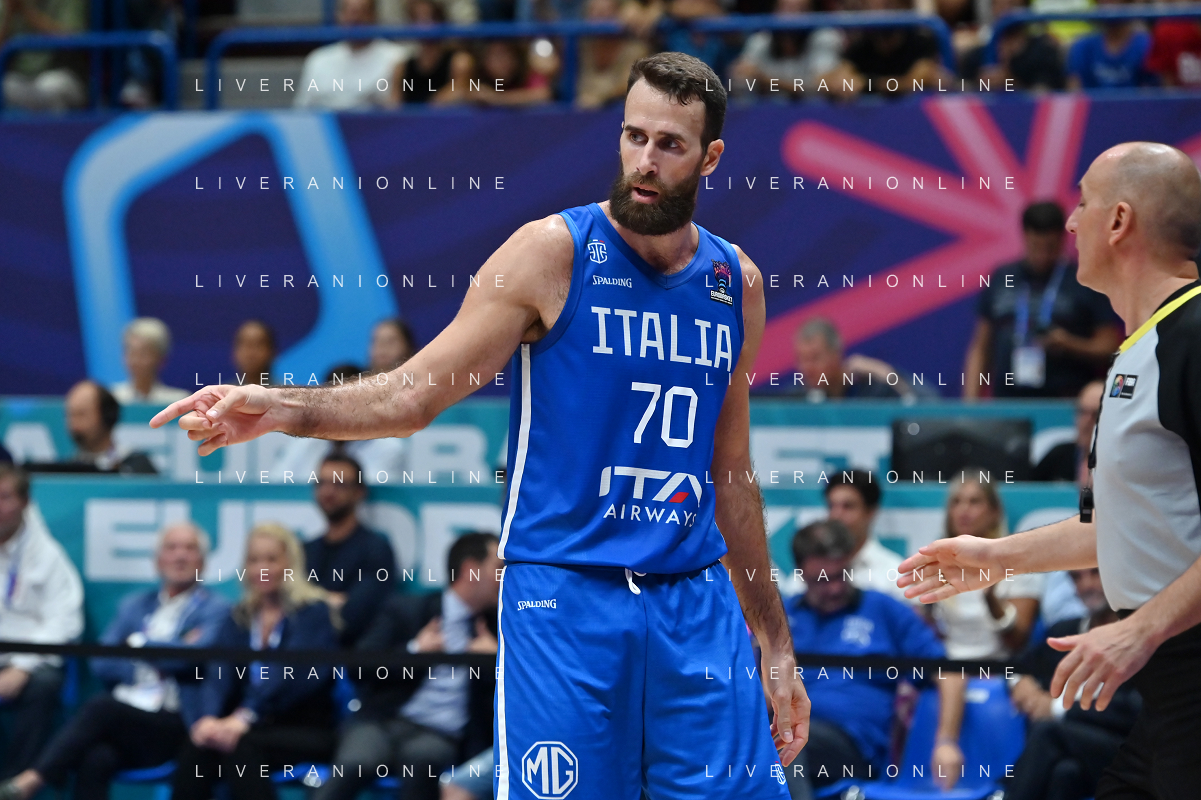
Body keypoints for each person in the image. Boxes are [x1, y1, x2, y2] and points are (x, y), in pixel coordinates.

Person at [153, 51, 811, 799]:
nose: (645, 162)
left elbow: (731, 476)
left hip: (694, 602)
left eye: (670, 145)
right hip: (565, 595)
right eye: (634, 137)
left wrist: (774, 642)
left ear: (710, 158)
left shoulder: (735, 283)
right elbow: (412, 396)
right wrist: (287, 407)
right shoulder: (551, 254)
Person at [899, 141, 1201, 799]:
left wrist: (1139, 628)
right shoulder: (1138, 348)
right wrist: (994, 557)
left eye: (1082, 202)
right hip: (1162, 687)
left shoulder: (1193, 336)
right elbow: (1121, 525)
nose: (1070, 221)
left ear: (1118, 221)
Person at [0, 522, 229, 800]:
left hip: (177, 722)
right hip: (129, 716)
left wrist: (138, 644)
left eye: (190, 549)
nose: (180, 556)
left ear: (203, 562)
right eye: (171, 548)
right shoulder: (134, 605)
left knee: (101, 707)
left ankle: (32, 780)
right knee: (97, 757)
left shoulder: (217, 609)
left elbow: (191, 659)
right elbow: (102, 662)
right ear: (157, 561)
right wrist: (163, 656)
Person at [784, 520, 965, 800]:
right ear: (800, 573)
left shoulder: (884, 610)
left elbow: (949, 672)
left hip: (854, 748)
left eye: (841, 575)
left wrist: (946, 741)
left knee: (789, 742)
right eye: (822, 580)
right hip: (788, 732)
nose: (834, 588)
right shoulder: (783, 616)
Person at [316, 532, 501, 800]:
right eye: (498, 568)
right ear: (470, 570)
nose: (504, 578)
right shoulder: (409, 610)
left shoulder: (499, 629)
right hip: (383, 721)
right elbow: (360, 666)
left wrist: (496, 661)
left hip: (440, 734)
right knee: (355, 763)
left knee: (422, 762)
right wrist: (414, 650)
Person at [171, 522, 340, 800]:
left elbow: (292, 677)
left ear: (291, 564)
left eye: (272, 559)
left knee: (242, 747)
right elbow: (219, 674)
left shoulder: (312, 613)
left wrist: (246, 716)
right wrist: (210, 719)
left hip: (303, 727)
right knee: (199, 747)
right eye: (254, 560)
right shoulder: (239, 617)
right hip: (247, 725)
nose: (263, 568)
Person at [1004, 568, 1141, 800]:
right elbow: (1014, 666)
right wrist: (1020, 683)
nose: (1086, 585)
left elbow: (1132, 709)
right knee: (1065, 773)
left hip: (1124, 749)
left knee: (1048, 732)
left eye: (1095, 574)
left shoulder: (1136, 638)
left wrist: (1057, 708)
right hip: (1079, 754)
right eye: (1076, 577)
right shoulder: (1064, 631)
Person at [964, 201, 1122, 399]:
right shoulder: (1002, 277)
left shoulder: (1085, 280)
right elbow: (981, 347)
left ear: (1062, 239)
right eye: (1036, 246)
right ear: (1025, 236)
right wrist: (970, 404)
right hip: (1007, 401)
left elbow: (1109, 347)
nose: (1042, 256)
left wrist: (1069, 344)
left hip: (1066, 401)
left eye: (1050, 247)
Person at [0, 464, 84, 779]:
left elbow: (65, 621)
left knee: (44, 686)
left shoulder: (47, 556)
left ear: (24, 502)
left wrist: (21, 667)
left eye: (5, 497)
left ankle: (15, 784)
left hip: (31, 661)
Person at [929, 472, 1042, 660]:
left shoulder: (1019, 565)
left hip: (1000, 667)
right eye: (956, 502)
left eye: (974, 502)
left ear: (994, 512)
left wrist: (991, 599)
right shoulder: (935, 564)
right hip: (947, 666)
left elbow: (1017, 641)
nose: (964, 510)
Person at [303, 454, 398, 646]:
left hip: (356, 657)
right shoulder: (305, 551)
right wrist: (330, 600)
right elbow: (289, 611)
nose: (328, 491)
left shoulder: (376, 550)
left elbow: (354, 615)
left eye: (339, 484)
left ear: (359, 492)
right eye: (322, 483)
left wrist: (310, 600)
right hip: (305, 655)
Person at [294, 0, 408, 110]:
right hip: (326, 122)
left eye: (362, 11)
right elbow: (302, 112)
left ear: (374, 15)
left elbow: (397, 112)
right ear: (338, 15)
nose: (354, 18)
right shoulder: (318, 60)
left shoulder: (397, 58)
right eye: (348, 11)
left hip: (376, 123)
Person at [772, 317, 920, 400]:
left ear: (836, 354)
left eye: (815, 358)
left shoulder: (873, 390)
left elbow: (922, 406)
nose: (807, 368)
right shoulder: (796, 399)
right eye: (802, 359)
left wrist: (887, 374)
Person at [819, 470, 909, 603]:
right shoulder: (811, 569)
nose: (836, 516)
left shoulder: (895, 574)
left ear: (871, 512)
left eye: (848, 507)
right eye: (831, 506)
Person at [728, 0, 843, 103]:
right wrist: (739, 74)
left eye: (800, 10)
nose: (792, 17)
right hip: (768, 112)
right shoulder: (760, 40)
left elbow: (822, 86)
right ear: (774, 11)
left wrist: (765, 79)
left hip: (814, 113)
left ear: (811, 13)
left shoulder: (824, 39)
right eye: (786, 9)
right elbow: (740, 80)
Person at [0, 0, 86, 111]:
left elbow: (72, 43)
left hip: (63, 74)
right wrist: (9, 15)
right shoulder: (9, 3)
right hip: (20, 78)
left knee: (50, 86)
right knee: (6, 86)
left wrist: (27, 13)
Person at [62, 381, 157, 473]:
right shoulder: (67, 472)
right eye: (70, 415)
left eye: (81, 414)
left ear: (107, 415)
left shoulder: (137, 467)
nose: (74, 425)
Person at [574, 0, 650, 110]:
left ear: (620, 13)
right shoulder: (582, 46)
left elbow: (628, 83)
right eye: (594, 11)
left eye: (605, 11)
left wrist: (599, 98)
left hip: (619, 109)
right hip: (583, 111)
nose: (599, 18)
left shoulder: (634, 49)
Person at [1065, 0, 1154, 90]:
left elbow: (1149, 93)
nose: (1108, 5)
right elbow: (1074, 91)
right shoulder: (1082, 47)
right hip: (1091, 100)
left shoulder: (1146, 45)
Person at [1035, 380, 1106, 484]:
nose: (1086, 421)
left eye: (1095, 414)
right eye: (1082, 412)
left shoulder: (1118, 464)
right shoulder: (1057, 457)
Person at [110, 318, 189, 406]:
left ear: (161, 359)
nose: (135, 361)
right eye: (131, 353)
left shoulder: (178, 402)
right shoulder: (111, 399)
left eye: (143, 354)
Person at [231, 320, 277, 387]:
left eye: (258, 345)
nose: (250, 354)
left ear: (271, 351)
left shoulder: (284, 391)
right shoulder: (223, 392)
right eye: (245, 345)